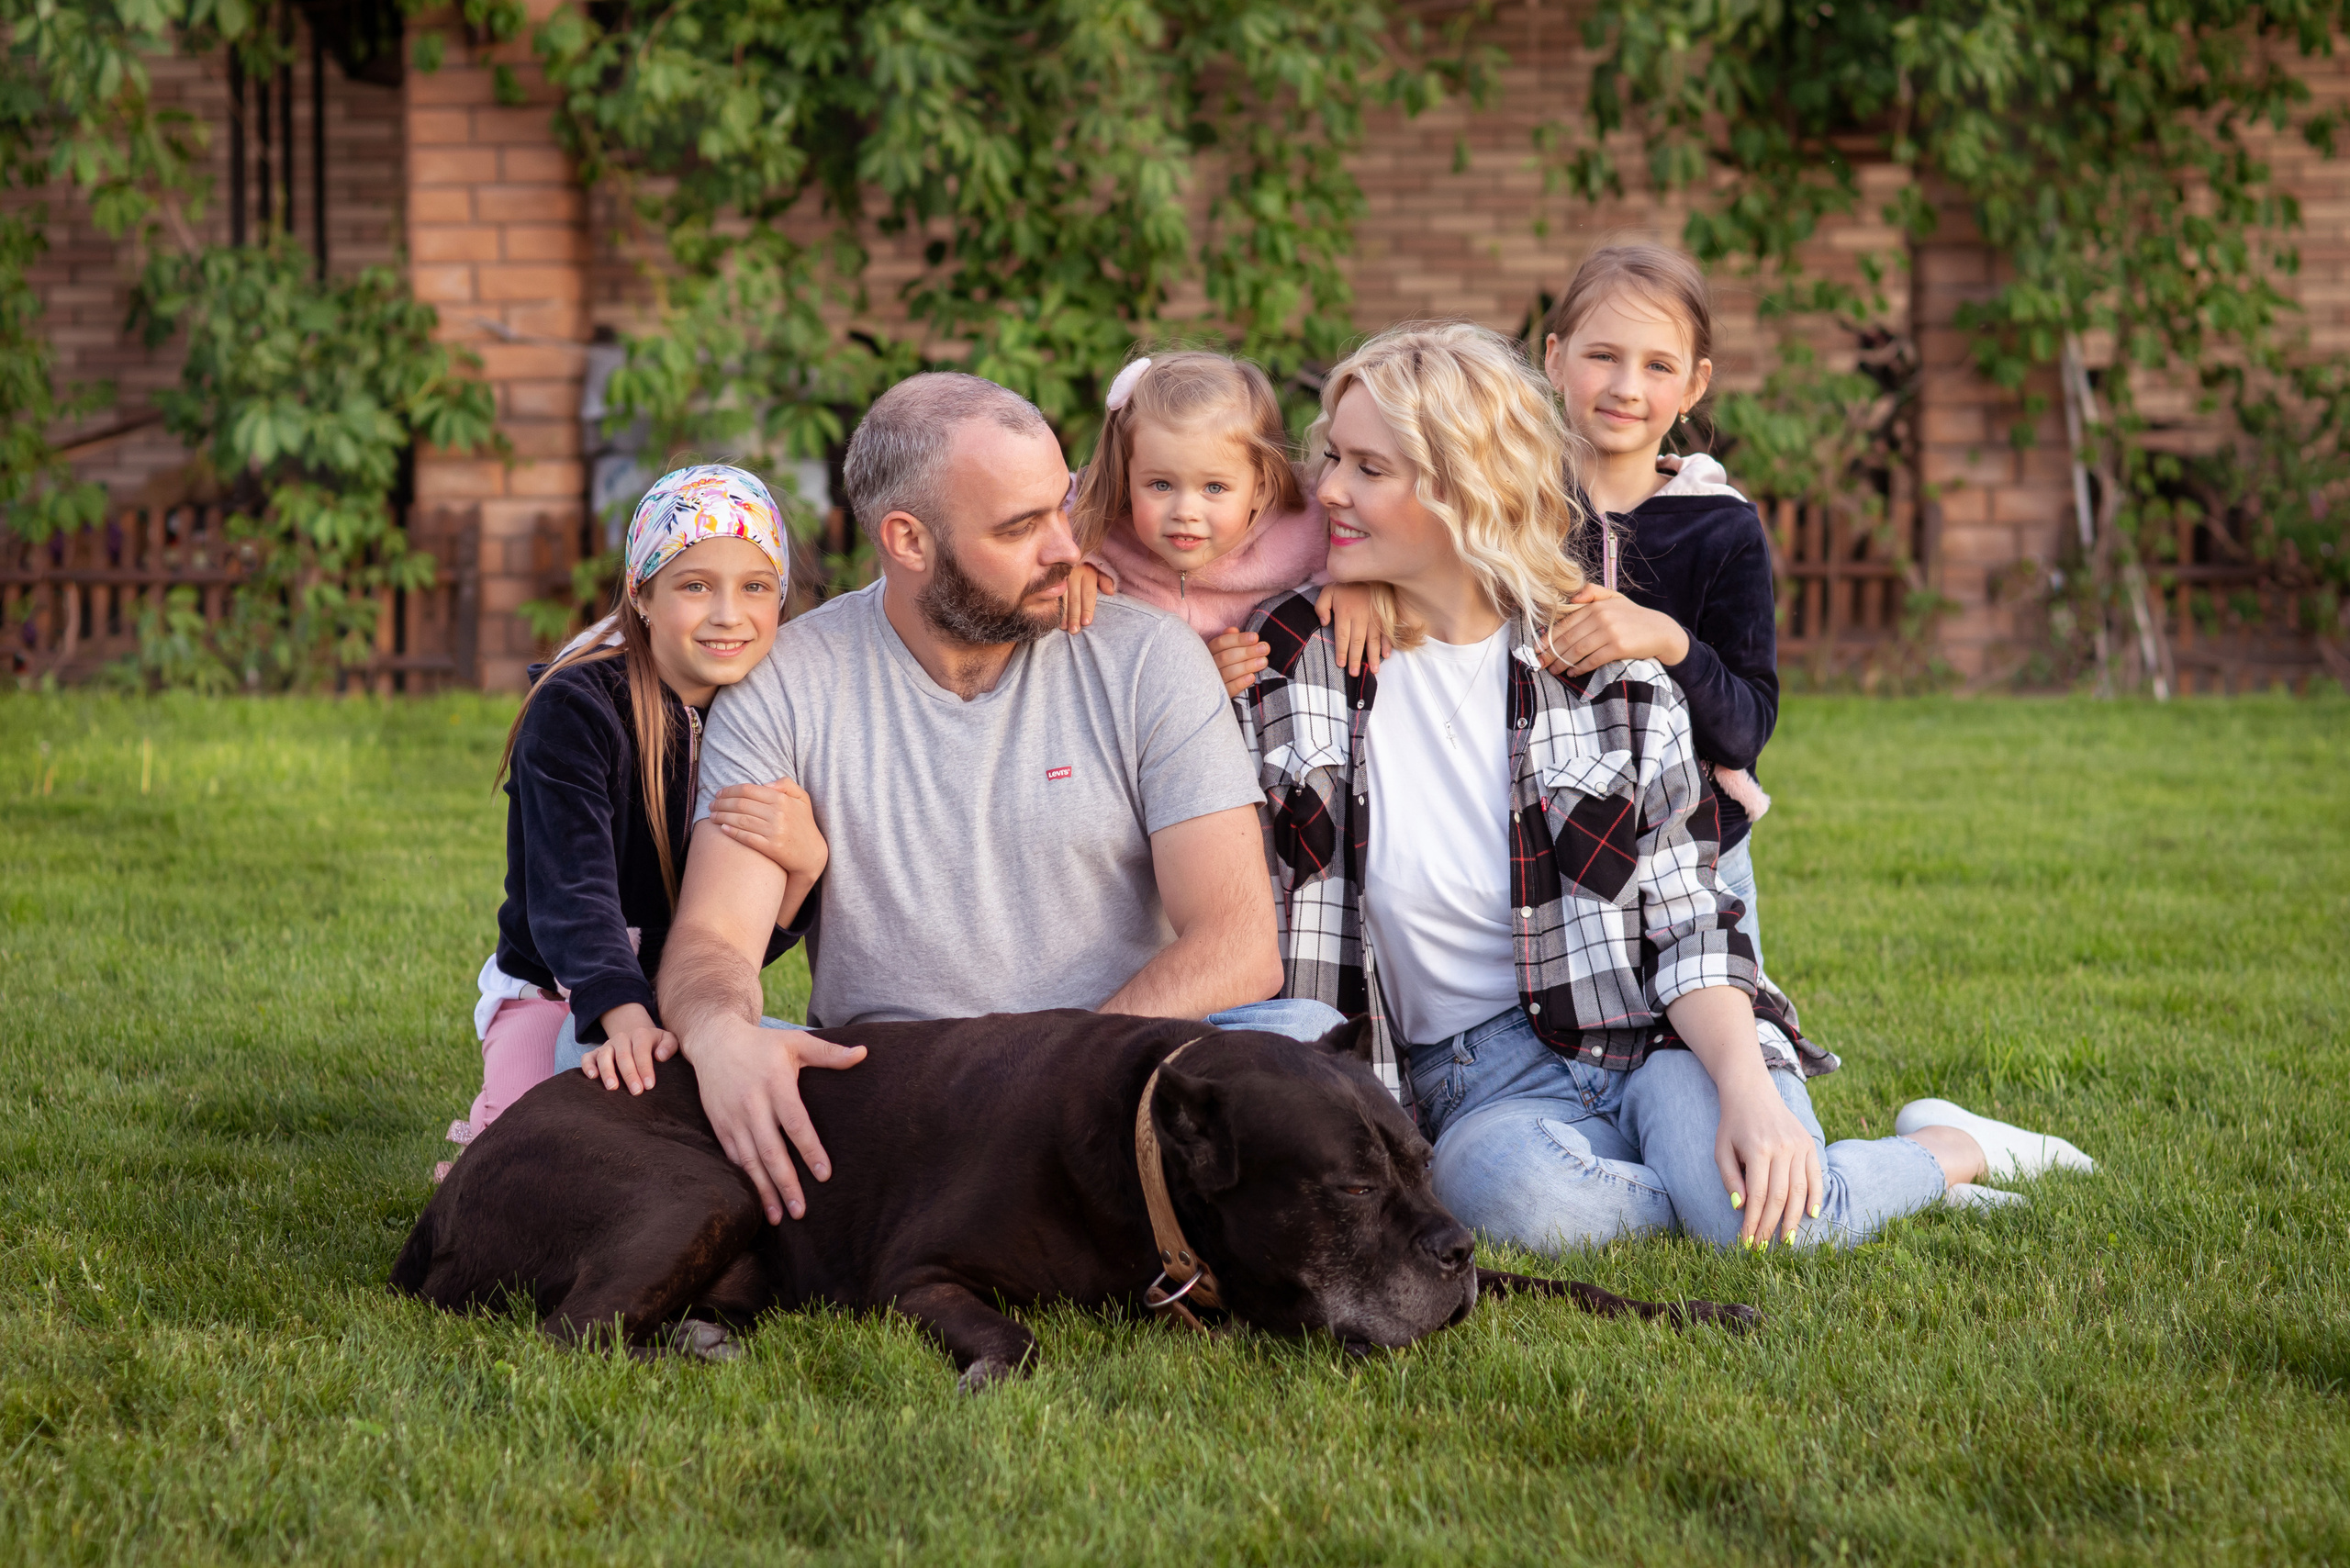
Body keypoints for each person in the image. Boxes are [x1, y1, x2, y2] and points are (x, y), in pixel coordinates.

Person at [1238, 322, 2094, 1253]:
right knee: (1509, 1200)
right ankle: (1821, 1187)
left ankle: (1946, 1147)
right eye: (1334, 458)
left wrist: (1747, 1093)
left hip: (1654, 1039)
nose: (1326, 488)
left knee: (1777, 1227)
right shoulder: (1287, 663)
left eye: (1368, 467)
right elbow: (1153, 526)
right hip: (1473, 1082)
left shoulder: (1610, 674)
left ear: (1461, 486)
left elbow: (1690, 921)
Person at [649, 372, 1339, 1228]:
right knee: (665, 1064)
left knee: (1302, 1033)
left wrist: (1053, 1082)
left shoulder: (1150, 659)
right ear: (908, 540)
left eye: (1062, 507)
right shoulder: (787, 684)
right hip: (901, 1085)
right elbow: (713, 940)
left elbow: (1238, 945)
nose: (1065, 547)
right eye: (1020, 528)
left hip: (1119, 1070)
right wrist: (721, 1037)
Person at [446, 465, 829, 1171]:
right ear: (641, 593)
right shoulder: (578, 710)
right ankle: (492, 1124)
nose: (727, 614)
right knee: (524, 1164)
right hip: (560, 991)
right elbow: (571, 893)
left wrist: (803, 872)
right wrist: (621, 1014)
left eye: (754, 587)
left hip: (683, 998)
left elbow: (729, 943)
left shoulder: (765, 716)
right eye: (694, 585)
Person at [1536, 243, 1782, 977]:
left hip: (1700, 859)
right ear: (1554, 358)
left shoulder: (1722, 527)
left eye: (1658, 366)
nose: (1625, 386)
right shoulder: (1512, 512)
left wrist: (1671, 641)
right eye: (1602, 356)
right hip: (1545, 867)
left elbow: (1745, 729)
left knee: (1739, 1070)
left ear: (1695, 383)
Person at [1058, 349, 1389, 695]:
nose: (1185, 511)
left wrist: (1359, 584)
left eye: (1214, 487)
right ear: (1126, 479)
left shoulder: (1298, 529)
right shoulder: (1107, 528)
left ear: (1260, 490)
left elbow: (1366, 543)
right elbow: (1052, 507)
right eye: (1160, 485)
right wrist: (1074, 559)